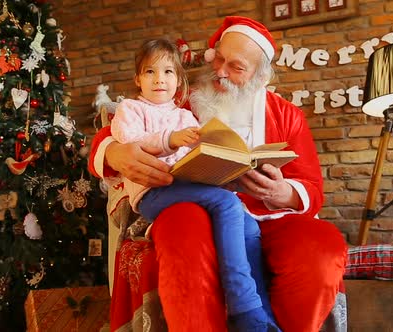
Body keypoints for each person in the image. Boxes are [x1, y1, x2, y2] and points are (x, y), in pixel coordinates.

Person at [89, 16, 348, 332]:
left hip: (269, 217)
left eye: (235, 67)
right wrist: (114, 151)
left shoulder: (286, 114)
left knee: (322, 247)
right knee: (182, 230)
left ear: (259, 75)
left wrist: (282, 193)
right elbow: (117, 130)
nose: (220, 71)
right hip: (196, 207)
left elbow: (312, 188)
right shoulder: (182, 99)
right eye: (218, 59)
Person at [109, 38, 279, 331]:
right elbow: (130, 141)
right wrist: (169, 140)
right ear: (138, 79)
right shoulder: (130, 109)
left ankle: (261, 313)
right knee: (227, 204)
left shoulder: (185, 116)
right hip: (153, 193)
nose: (160, 79)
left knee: (248, 224)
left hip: (184, 186)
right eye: (150, 72)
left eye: (168, 72)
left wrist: (222, 165)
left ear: (179, 79)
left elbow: (195, 157)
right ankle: (243, 307)